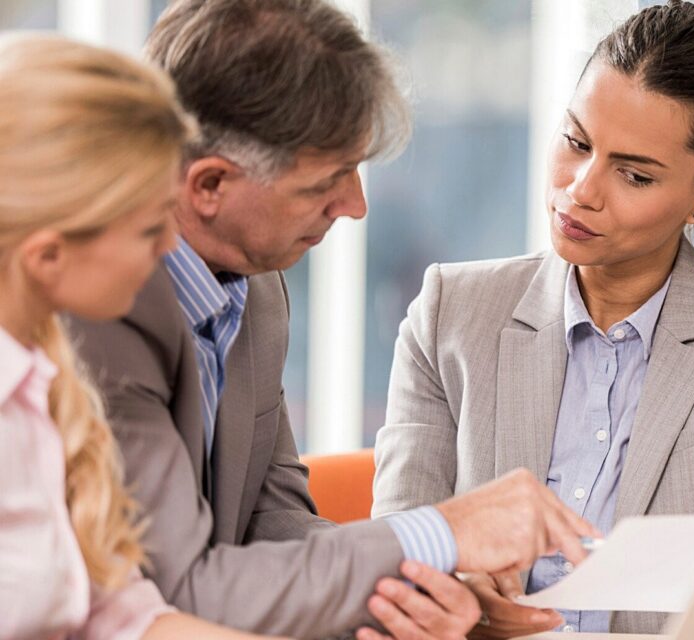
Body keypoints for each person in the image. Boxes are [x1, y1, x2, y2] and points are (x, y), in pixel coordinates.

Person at [65, 1, 597, 638]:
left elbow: (274, 520)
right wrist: (442, 532)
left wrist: (414, 587)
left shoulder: (256, 287)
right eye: (327, 182)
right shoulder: (91, 316)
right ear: (208, 186)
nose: (355, 206)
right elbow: (178, 591)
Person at [371, 2, 694, 638]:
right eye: (576, 142)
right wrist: (461, 596)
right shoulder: (451, 314)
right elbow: (397, 555)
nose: (582, 189)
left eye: (634, 174)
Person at [0, 32, 281, 640]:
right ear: (47, 256)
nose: (170, 249)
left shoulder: (47, 383)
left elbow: (127, 618)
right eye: (152, 227)